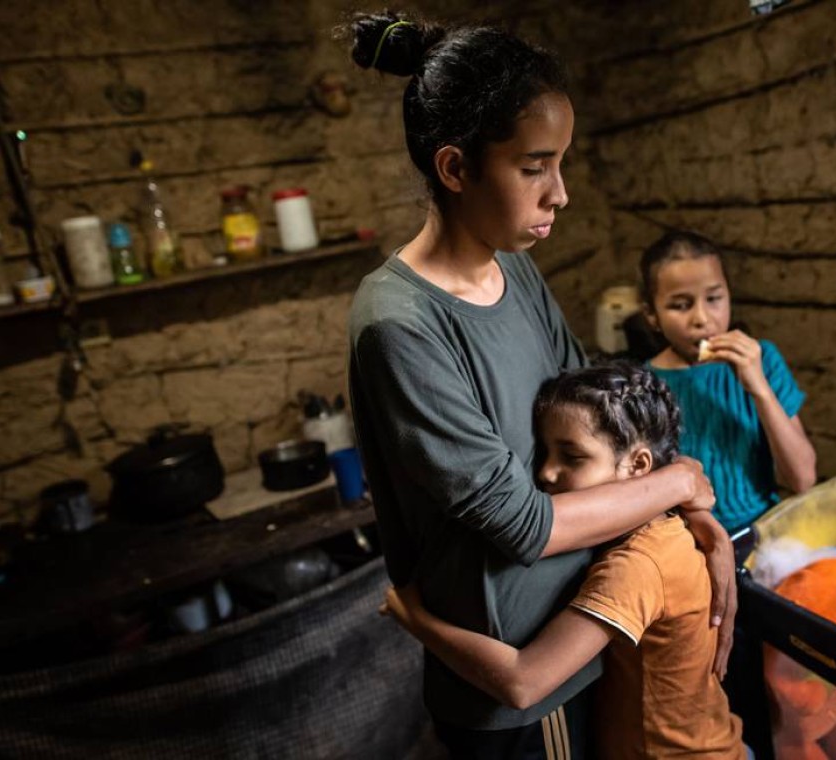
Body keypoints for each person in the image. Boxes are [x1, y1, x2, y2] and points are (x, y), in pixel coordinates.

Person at [345, 13, 734, 759]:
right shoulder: (400, 325)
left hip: (575, 631)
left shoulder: (511, 268)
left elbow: (597, 413)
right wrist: (683, 480)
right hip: (519, 680)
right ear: (456, 169)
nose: (559, 194)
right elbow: (524, 524)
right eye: (534, 167)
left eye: (560, 164)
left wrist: (692, 519)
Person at [383, 363, 749, 759]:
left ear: (639, 466)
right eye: (544, 452)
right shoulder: (665, 524)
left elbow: (524, 682)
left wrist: (416, 618)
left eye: (571, 457)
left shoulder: (639, 564)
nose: (545, 472)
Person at [641, 230, 817, 534]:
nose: (702, 318)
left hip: (761, 532)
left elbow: (802, 478)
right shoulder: (643, 386)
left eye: (713, 299)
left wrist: (758, 387)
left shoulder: (763, 361)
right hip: (683, 544)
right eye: (681, 305)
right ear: (652, 315)